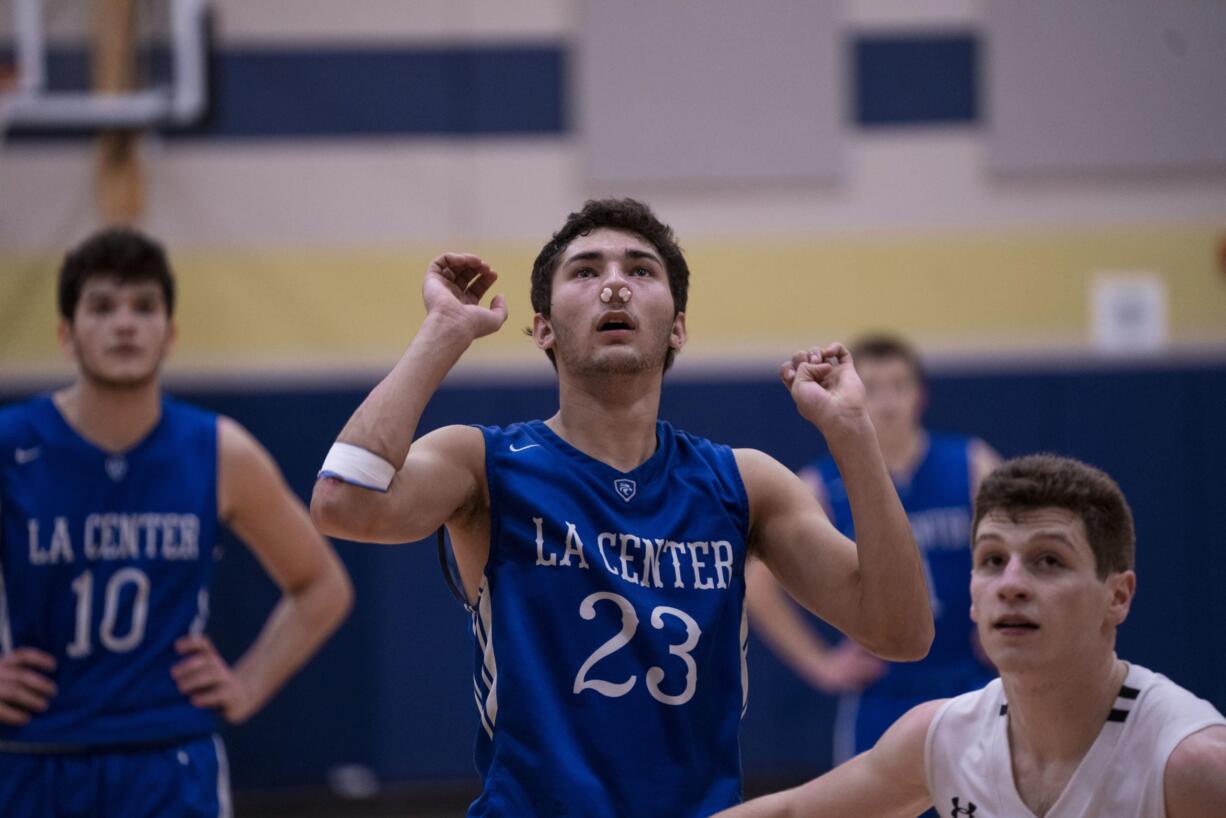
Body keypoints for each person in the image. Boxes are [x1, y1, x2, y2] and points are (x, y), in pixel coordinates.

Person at [310, 198, 934, 817]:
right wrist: (442, 332)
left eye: (640, 270)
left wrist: (854, 434)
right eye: (585, 272)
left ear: (678, 327)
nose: (614, 286)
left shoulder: (743, 481)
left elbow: (901, 631)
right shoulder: (482, 463)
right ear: (545, 327)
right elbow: (344, 504)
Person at [0, 228, 353, 817]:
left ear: (170, 334)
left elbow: (323, 586)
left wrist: (247, 685)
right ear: (66, 335)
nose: (125, 323)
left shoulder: (220, 451)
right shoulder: (13, 445)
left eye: (144, 307)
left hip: (169, 760)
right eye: (102, 307)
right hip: (33, 751)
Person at [719, 454, 1226, 818]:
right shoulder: (942, 737)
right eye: (991, 560)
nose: (1011, 585)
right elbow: (790, 812)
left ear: (1118, 596)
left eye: (1048, 560)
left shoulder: (1192, 764)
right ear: (971, 595)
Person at [746, 334, 1000, 767]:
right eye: (874, 387)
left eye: (899, 386)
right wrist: (819, 663)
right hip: (883, 694)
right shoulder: (820, 484)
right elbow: (756, 584)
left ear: (919, 395)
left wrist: (999, 622)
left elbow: (1018, 544)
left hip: (971, 684)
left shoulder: (972, 461)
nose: (887, 402)